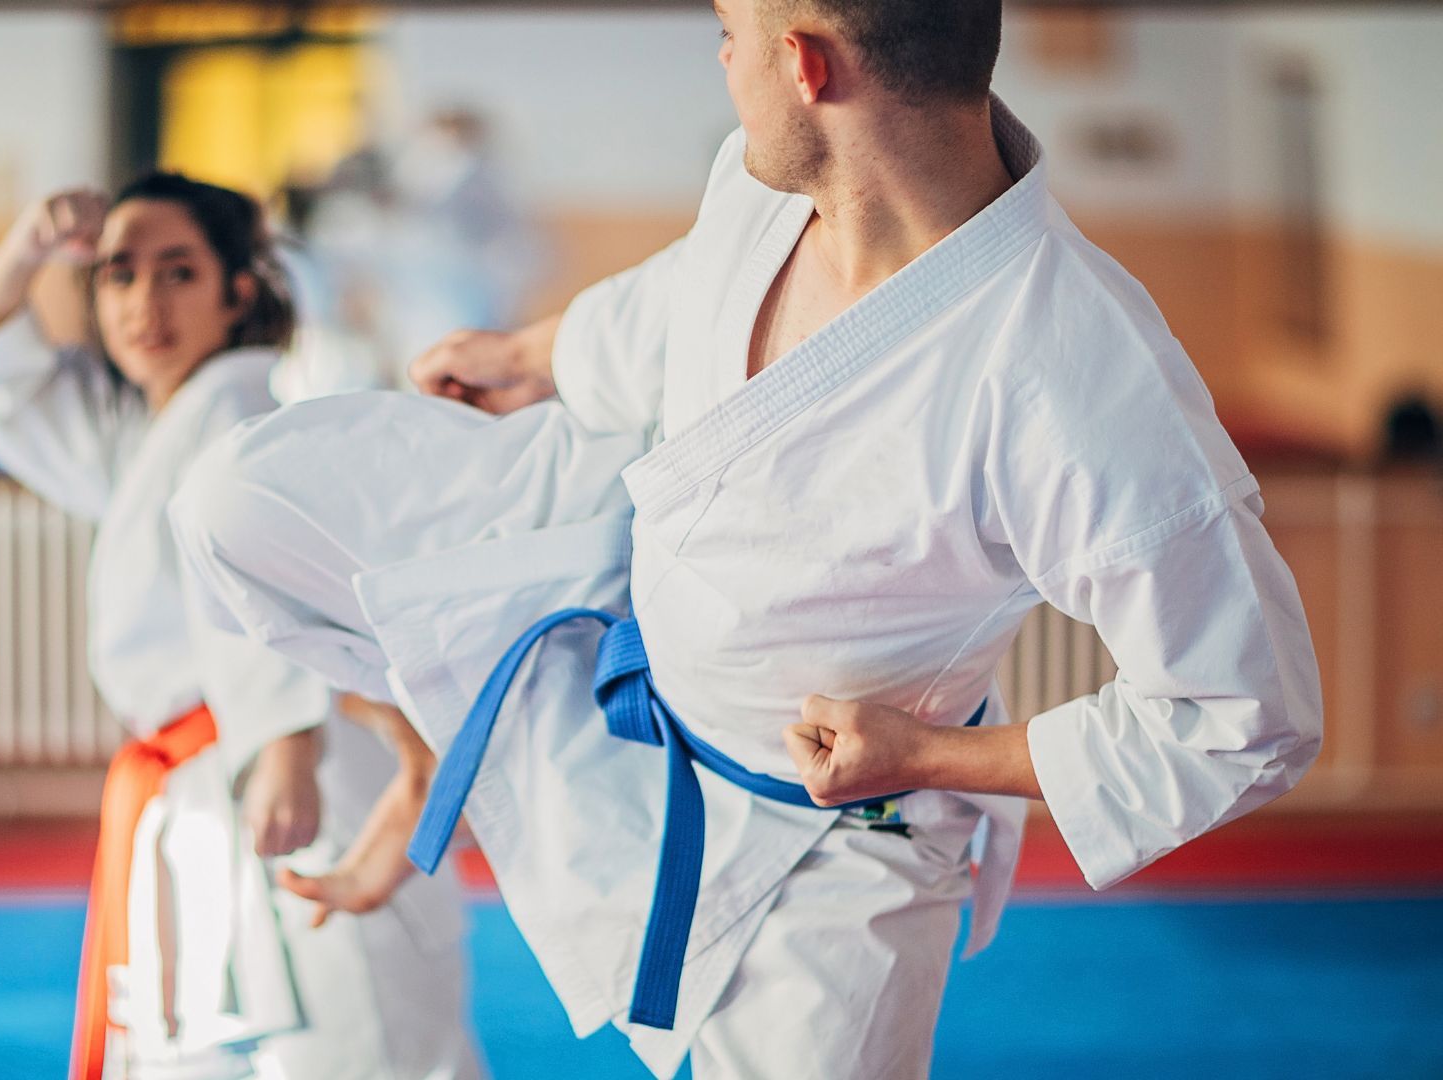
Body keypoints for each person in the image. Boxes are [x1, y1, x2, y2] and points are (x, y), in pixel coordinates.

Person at [166, 2, 1325, 1077]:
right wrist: (530, 357)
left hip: (827, 839)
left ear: (808, 62)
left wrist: (928, 757)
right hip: (611, 589)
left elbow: (1241, 712)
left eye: (729, 27)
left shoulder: (1074, 367)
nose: (719, 55)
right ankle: (434, 742)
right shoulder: (761, 186)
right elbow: (676, 300)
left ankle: (465, 740)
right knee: (237, 502)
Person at [0, 174, 478, 1080]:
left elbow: (276, 587)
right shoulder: (142, 431)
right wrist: (26, 244)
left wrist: (284, 740)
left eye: (178, 272)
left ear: (237, 290)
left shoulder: (240, 416)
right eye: (118, 275)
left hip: (294, 776)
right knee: (224, 1044)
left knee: (358, 1039)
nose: (145, 302)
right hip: (208, 778)